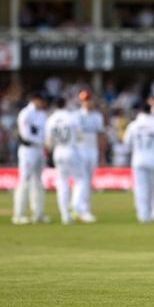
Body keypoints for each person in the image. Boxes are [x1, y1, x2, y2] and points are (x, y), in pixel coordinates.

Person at [123, 102, 154, 223]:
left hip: (138, 159)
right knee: (153, 187)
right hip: (153, 159)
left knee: (140, 188)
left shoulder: (133, 125)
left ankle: (143, 215)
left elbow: (126, 143)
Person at [45, 97, 85, 225]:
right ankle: (75, 205)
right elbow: (80, 136)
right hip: (71, 149)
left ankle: (65, 216)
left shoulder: (51, 119)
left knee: (62, 182)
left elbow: (48, 141)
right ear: (66, 104)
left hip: (58, 151)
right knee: (81, 179)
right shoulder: (72, 118)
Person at [13, 91, 49, 225]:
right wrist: (42, 142)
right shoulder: (26, 114)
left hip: (39, 150)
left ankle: (38, 213)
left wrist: (45, 142)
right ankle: (19, 214)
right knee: (24, 180)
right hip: (28, 150)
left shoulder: (42, 114)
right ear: (35, 99)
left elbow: (45, 132)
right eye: (41, 100)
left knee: (38, 181)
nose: (43, 103)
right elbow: (25, 135)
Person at [76, 90, 104, 223]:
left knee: (89, 181)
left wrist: (102, 154)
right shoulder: (77, 116)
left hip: (92, 150)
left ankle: (85, 209)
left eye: (89, 100)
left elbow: (100, 135)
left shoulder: (97, 116)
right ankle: (80, 208)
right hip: (81, 150)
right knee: (82, 181)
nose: (87, 103)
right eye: (84, 100)